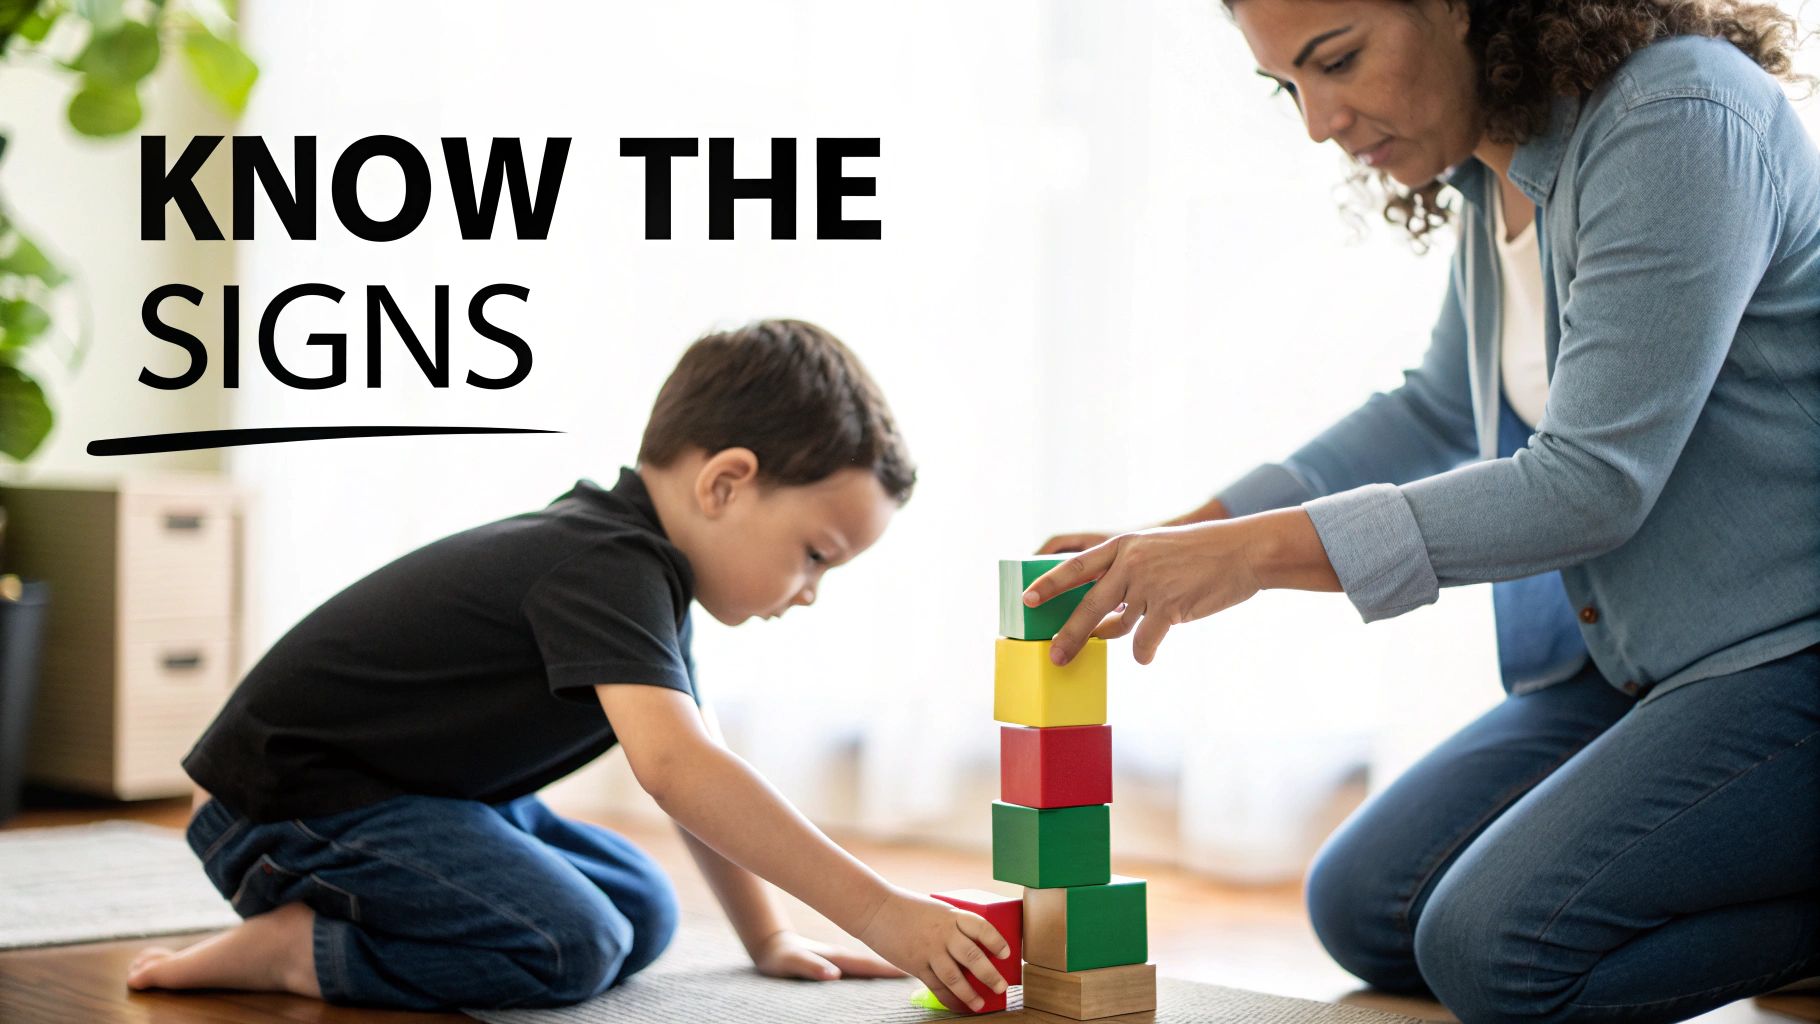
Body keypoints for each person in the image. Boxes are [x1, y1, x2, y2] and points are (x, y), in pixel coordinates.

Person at [1025, 2, 1820, 1021]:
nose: (1318, 122)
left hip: (1782, 655)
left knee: (1497, 955)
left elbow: (1589, 483)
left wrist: (1249, 556)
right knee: (1364, 906)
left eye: (1337, 60)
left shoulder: (1678, 117)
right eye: (1288, 86)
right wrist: (1182, 532)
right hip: (1636, 662)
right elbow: (1440, 406)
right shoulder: (1504, 162)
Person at [126, 319, 1011, 1013]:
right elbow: (679, 773)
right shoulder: (606, 564)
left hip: (411, 793)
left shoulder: (638, 567)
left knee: (642, 908)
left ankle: (327, 930)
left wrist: (766, 935)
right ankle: (300, 953)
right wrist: (881, 911)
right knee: (570, 944)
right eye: (815, 554)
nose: (811, 590)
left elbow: (700, 773)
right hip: (286, 805)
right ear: (726, 483)